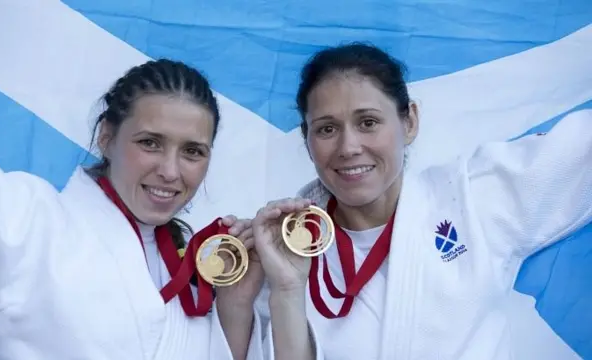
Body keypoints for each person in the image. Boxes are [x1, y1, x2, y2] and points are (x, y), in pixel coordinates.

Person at [249, 43, 592, 360]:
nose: (348, 147)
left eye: (368, 122)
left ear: (409, 120)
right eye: (326, 129)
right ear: (306, 140)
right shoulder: (285, 247)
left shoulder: (470, 198)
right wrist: (287, 290)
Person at [0, 59, 277, 360]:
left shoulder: (195, 273)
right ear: (106, 136)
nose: (170, 171)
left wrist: (234, 306)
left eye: (192, 151)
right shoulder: (34, 223)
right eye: (150, 142)